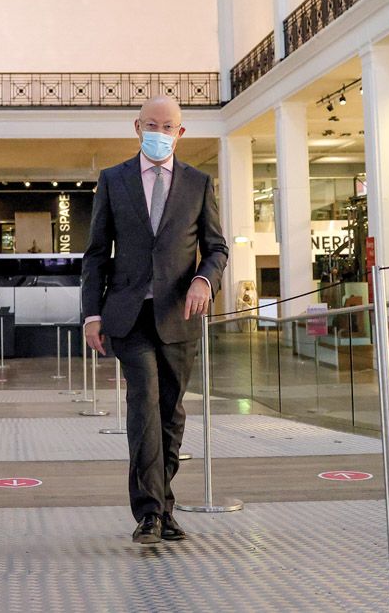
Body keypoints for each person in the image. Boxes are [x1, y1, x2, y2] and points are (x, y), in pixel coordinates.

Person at [81, 94, 229, 545]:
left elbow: (217, 248)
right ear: (137, 126)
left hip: (179, 315)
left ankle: (164, 506)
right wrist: (91, 313)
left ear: (180, 133)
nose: (160, 134)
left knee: (170, 412)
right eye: (152, 125)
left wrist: (205, 281)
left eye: (168, 127)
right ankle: (147, 513)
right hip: (129, 315)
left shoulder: (199, 183)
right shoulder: (113, 180)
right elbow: (95, 255)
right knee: (144, 403)